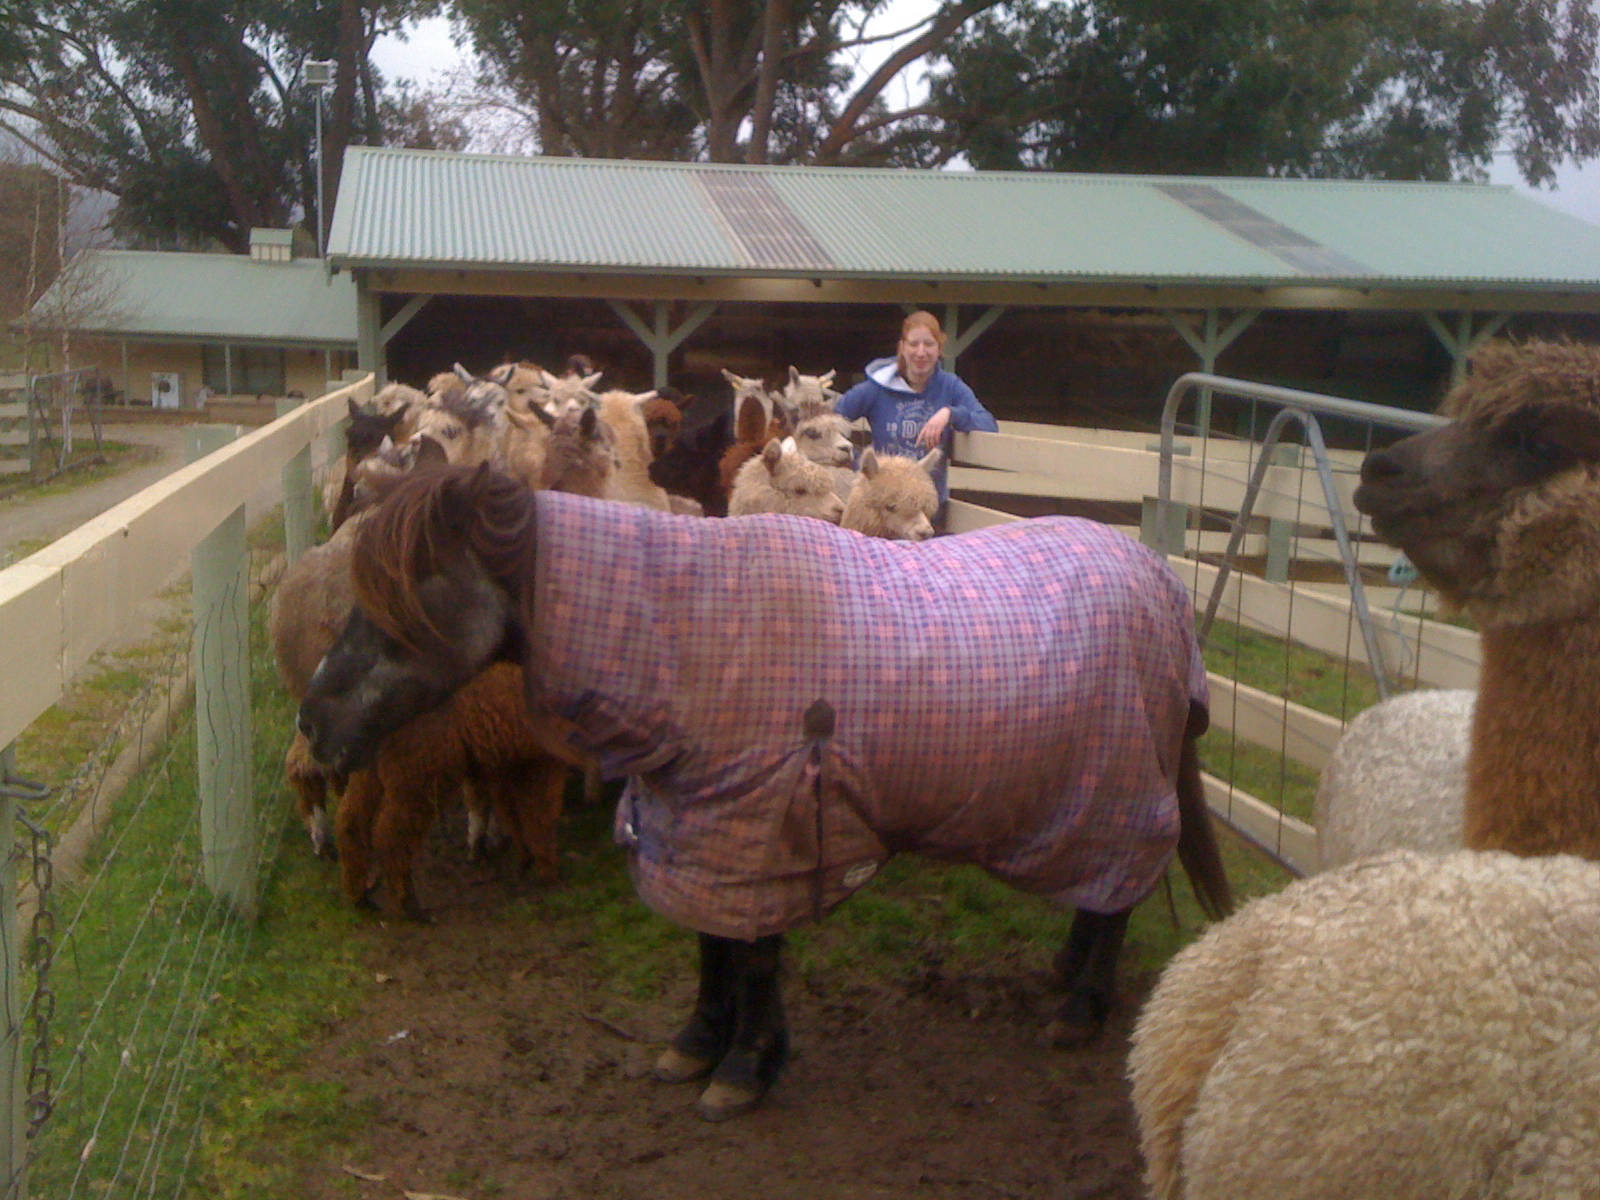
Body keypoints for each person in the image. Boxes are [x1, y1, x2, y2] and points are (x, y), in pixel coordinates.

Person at [835, 310, 998, 528]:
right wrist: (863, 466)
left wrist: (950, 413)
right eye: (913, 344)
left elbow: (988, 424)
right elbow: (832, 420)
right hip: (886, 514)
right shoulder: (877, 388)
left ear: (939, 348)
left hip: (928, 512)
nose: (921, 352)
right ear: (902, 347)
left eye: (929, 344)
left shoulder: (950, 387)